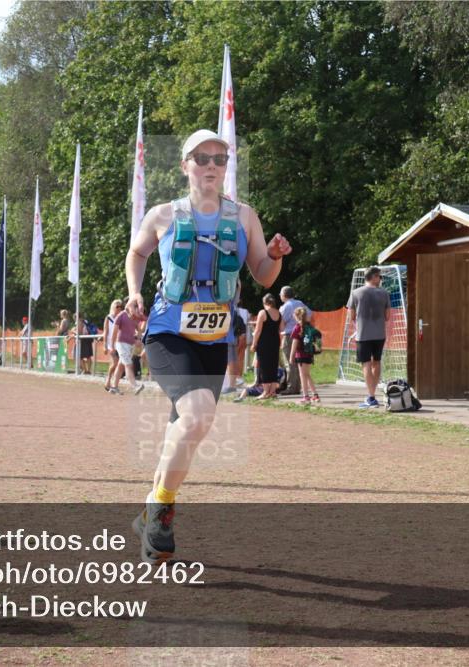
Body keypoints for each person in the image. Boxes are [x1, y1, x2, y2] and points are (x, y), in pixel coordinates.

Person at [125, 129, 291, 563]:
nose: (212, 165)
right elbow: (137, 253)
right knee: (198, 416)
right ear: (185, 165)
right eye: (202, 158)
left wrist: (275, 256)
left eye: (220, 158)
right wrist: (135, 291)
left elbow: (263, 275)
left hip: (215, 338)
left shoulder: (244, 217)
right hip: (168, 332)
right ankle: (162, 509)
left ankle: (151, 512)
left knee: (187, 428)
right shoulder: (163, 214)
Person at [347, 266, 391, 408]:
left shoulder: (356, 293)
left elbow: (351, 316)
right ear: (373, 277)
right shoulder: (384, 293)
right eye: (379, 276)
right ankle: (372, 395)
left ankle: (371, 397)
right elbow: (387, 316)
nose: (380, 279)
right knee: (376, 362)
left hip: (363, 334)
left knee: (366, 364)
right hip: (379, 334)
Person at [278, 286, 312, 396]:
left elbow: (280, 323)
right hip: (301, 334)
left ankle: (291, 387)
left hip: (289, 335)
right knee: (298, 360)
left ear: (284, 295)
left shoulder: (285, 307)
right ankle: (297, 386)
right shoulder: (300, 303)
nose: (280, 296)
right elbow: (310, 315)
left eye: (280, 294)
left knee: (290, 361)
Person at [250, 293, 282, 399]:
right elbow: (281, 328)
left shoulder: (262, 313)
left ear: (265, 303)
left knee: (264, 366)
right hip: (275, 342)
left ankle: (265, 392)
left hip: (264, 342)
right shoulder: (279, 313)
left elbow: (258, 330)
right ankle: (272, 392)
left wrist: (254, 344)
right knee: (273, 365)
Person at [111, 297, 144, 395]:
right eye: (134, 305)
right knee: (128, 364)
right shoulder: (121, 315)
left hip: (130, 345)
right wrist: (112, 346)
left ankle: (114, 387)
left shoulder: (134, 317)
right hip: (121, 344)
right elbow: (114, 332)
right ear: (128, 304)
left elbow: (139, 330)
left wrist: (138, 339)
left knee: (121, 366)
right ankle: (135, 386)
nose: (136, 307)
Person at [289, 306, 320, 404]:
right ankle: (315, 395)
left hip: (300, 355)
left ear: (297, 317)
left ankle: (306, 397)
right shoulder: (310, 327)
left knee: (302, 375)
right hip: (309, 354)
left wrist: (291, 356)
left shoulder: (297, 328)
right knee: (307, 374)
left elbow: (294, 343)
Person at [102, 300, 126, 393]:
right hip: (111, 344)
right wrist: (104, 345)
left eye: (120, 307)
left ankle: (114, 384)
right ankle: (108, 378)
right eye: (117, 307)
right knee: (115, 362)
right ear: (113, 307)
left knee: (120, 364)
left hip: (120, 343)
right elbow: (105, 332)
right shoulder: (108, 317)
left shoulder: (122, 317)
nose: (119, 308)